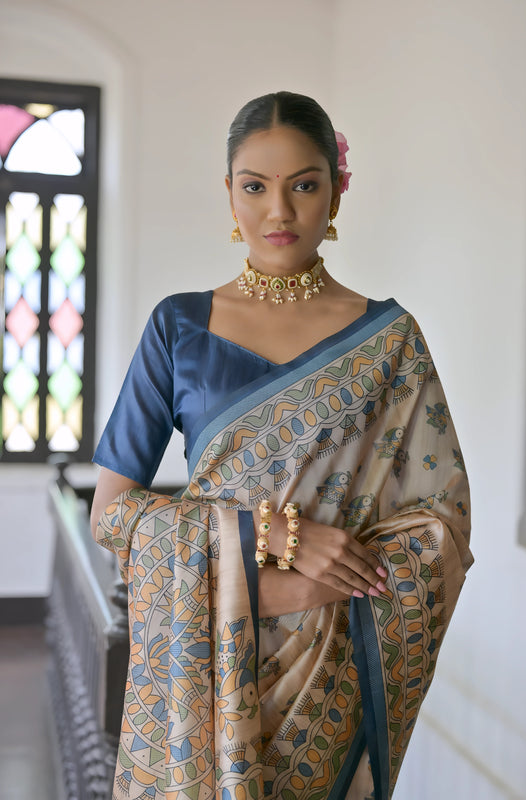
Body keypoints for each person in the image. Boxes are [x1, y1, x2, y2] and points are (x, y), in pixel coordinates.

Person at [90, 91, 473, 800]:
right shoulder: (179, 328)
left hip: (329, 670)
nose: (279, 211)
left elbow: (439, 524)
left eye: (304, 184)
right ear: (228, 194)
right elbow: (112, 514)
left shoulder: (390, 342)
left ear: (336, 190)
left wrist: (315, 594)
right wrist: (274, 547)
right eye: (255, 187)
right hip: (203, 660)